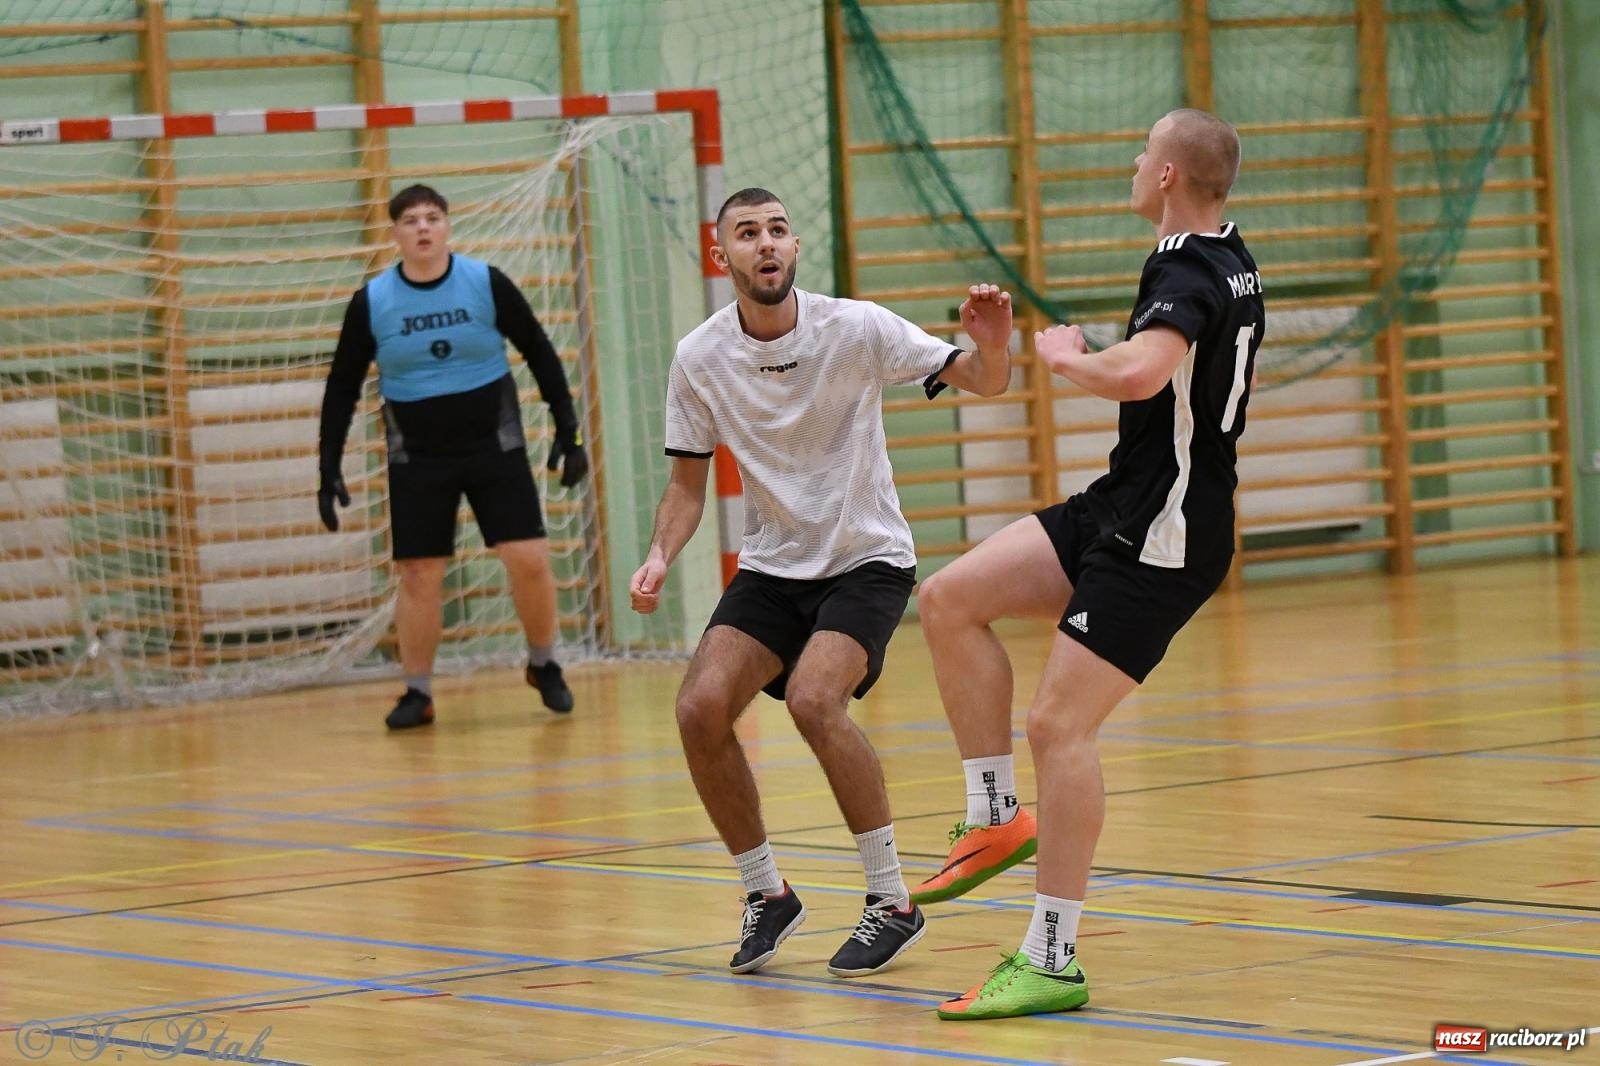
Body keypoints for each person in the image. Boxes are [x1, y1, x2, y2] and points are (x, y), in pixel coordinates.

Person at [913, 109, 1265, 1019]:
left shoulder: (1189, 264)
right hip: (1120, 504)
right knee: (949, 600)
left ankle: (1053, 956)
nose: (1134, 157)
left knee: (1059, 729)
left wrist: (1067, 358)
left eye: (1145, 149)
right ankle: (994, 817)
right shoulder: (1221, 249)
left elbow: (1144, 371)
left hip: (1166, 533)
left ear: (1168, 177)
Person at [628, 187, 1013, 977]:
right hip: (774, 565)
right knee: (700, 709)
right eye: (747, 233)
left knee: (813, 698)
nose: (765, 244)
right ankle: (765, 893)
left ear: (794, 248)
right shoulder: (699, 357)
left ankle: (890, 900)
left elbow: (983, 380)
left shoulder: (856, 327)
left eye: (777, 230)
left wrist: (995, 345)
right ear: (721, 256)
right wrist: (662, 553)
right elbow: (686, 488)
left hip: (867, 556)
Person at [318, 183, 589, 730]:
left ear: (447, 226)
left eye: (432, 217)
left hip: (494, 445)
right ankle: (417, 692)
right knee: (419, 573)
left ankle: (543, 663)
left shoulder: (484, 282)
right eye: (411, 220)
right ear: (394, 233)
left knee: (529, 559)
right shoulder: (372, 302)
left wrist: (569, 433)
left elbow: (538, 350)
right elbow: (342, 386)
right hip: (417, 456)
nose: (422, 227)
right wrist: (327, 466)